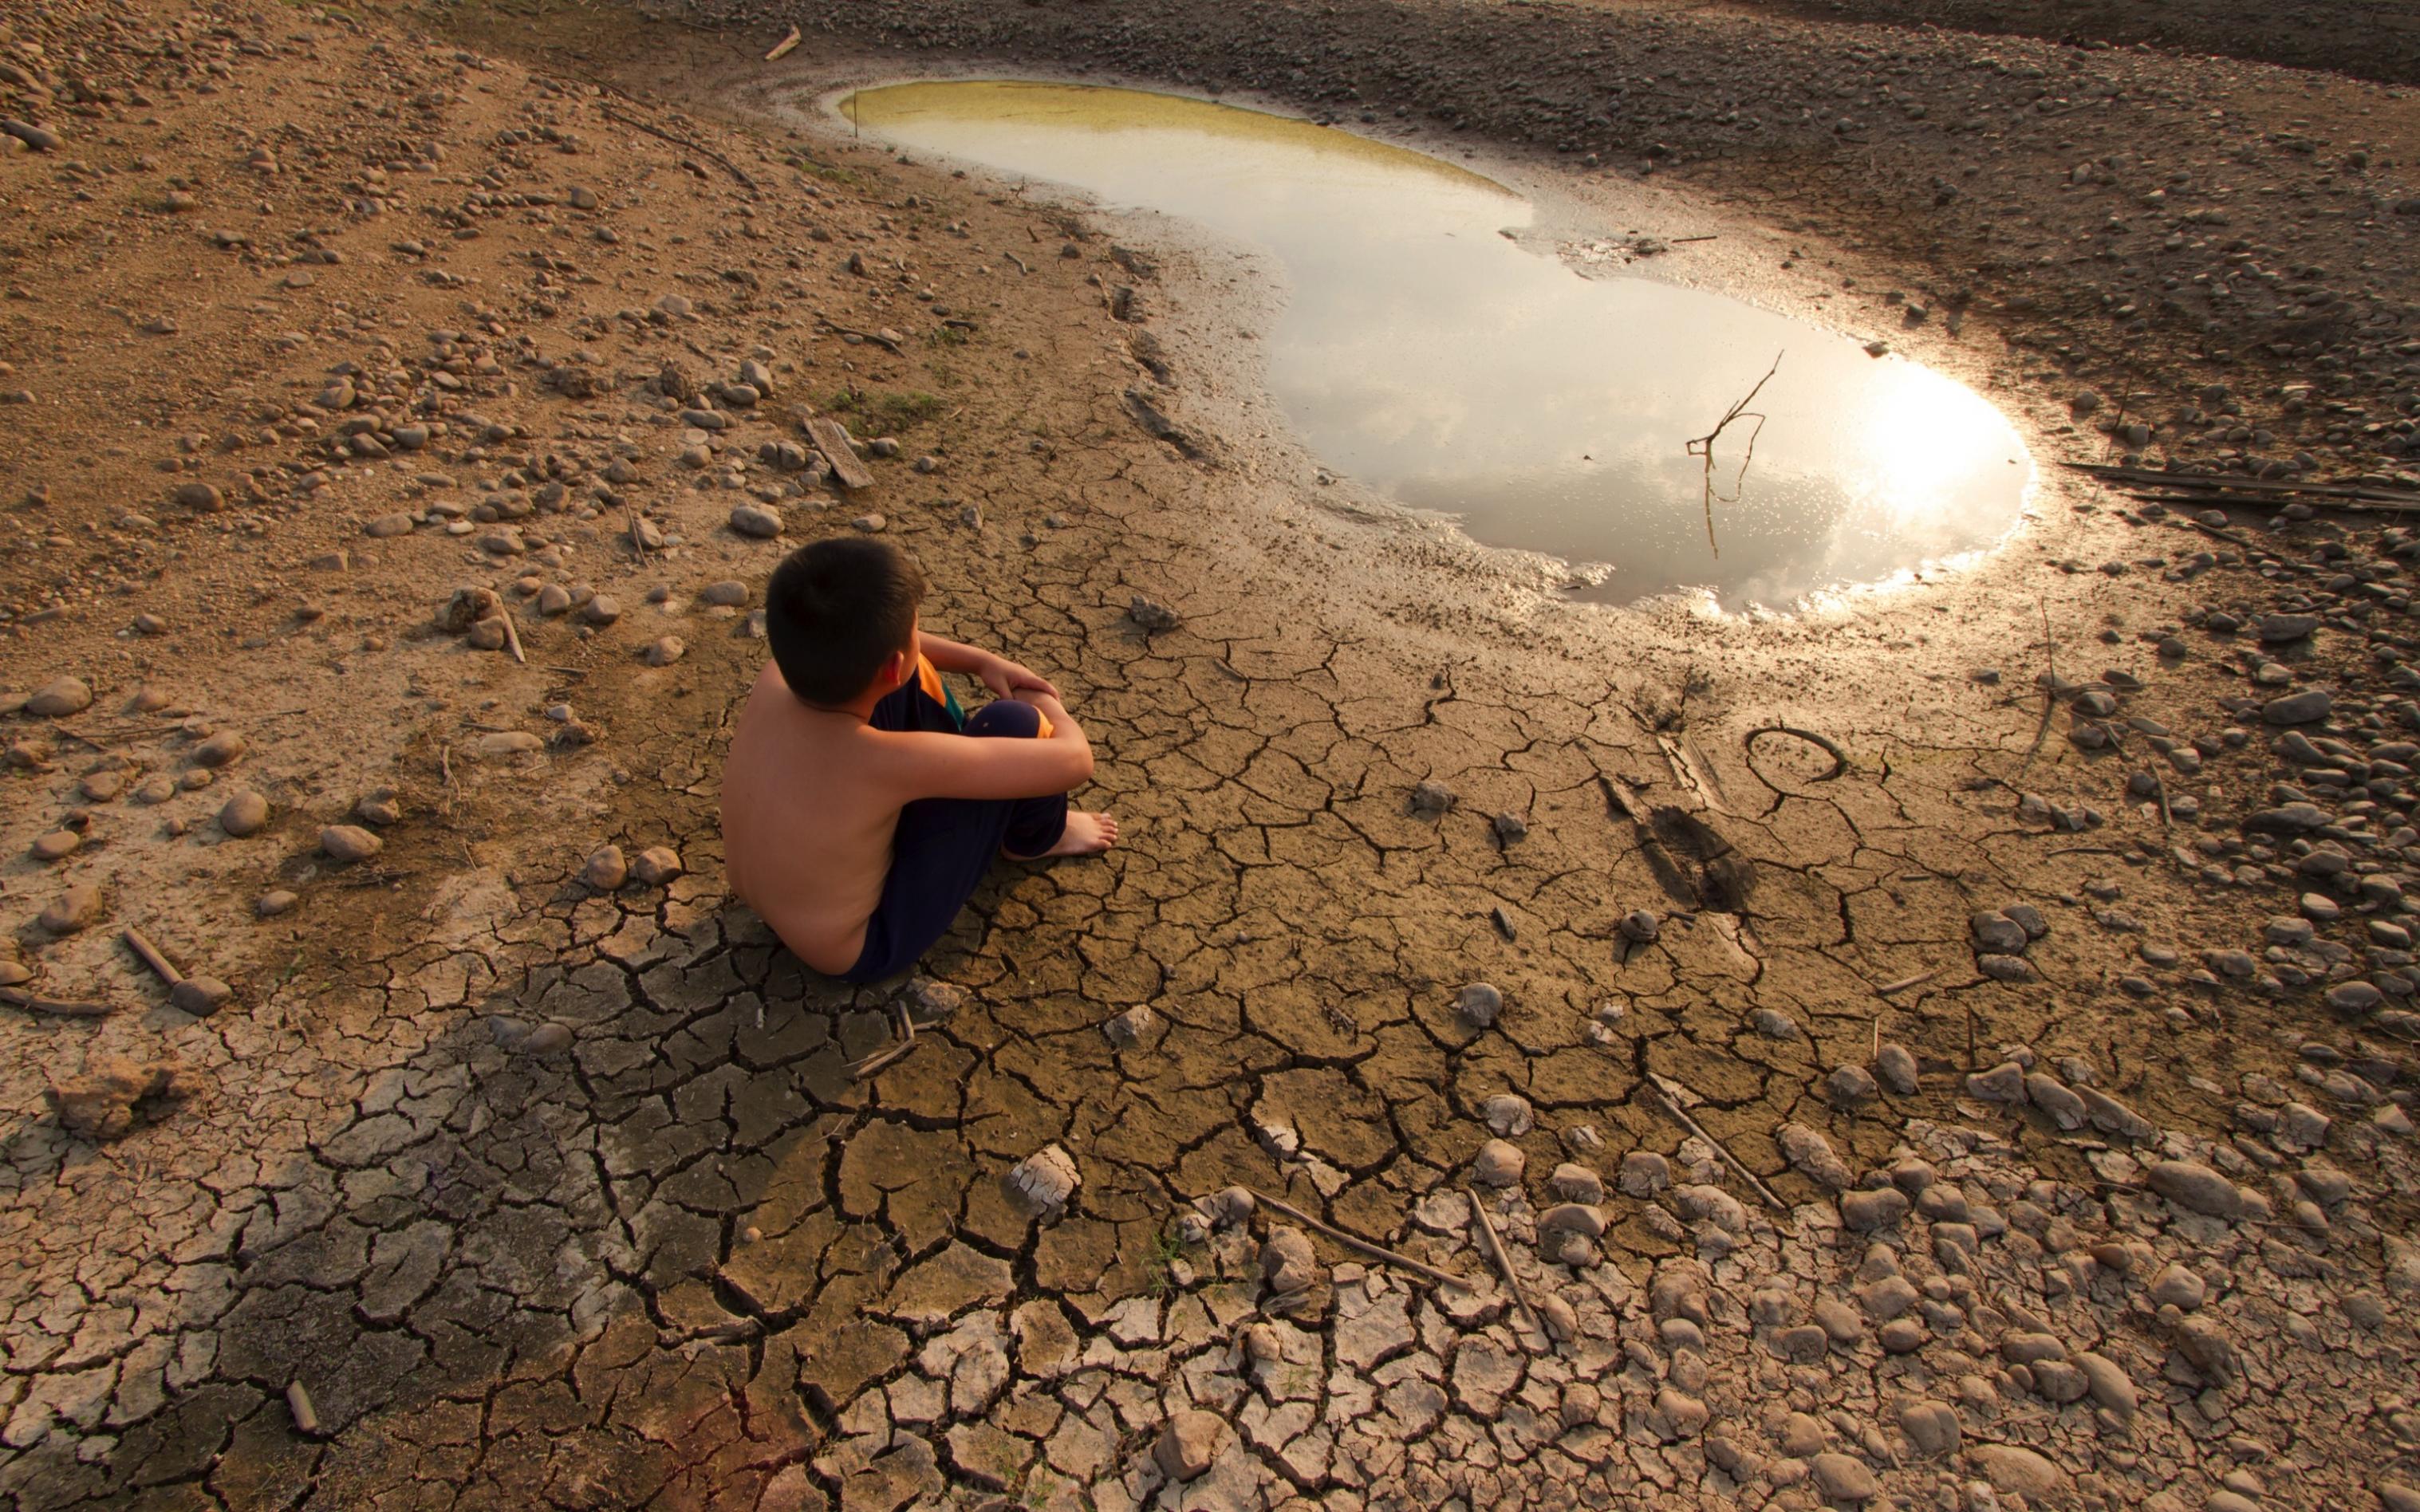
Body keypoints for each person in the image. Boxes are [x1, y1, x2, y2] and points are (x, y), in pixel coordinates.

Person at [720, 537, 1117, 983]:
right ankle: (1037, 838)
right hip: (864, 945)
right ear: (891, 662)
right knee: (1016, 721)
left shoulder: (778, 674)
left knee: (904, 675)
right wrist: (1046, 702)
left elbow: (894, 651)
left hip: (776, 901)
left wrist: (982, 662)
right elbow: (1075, 760)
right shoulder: (883, 762)